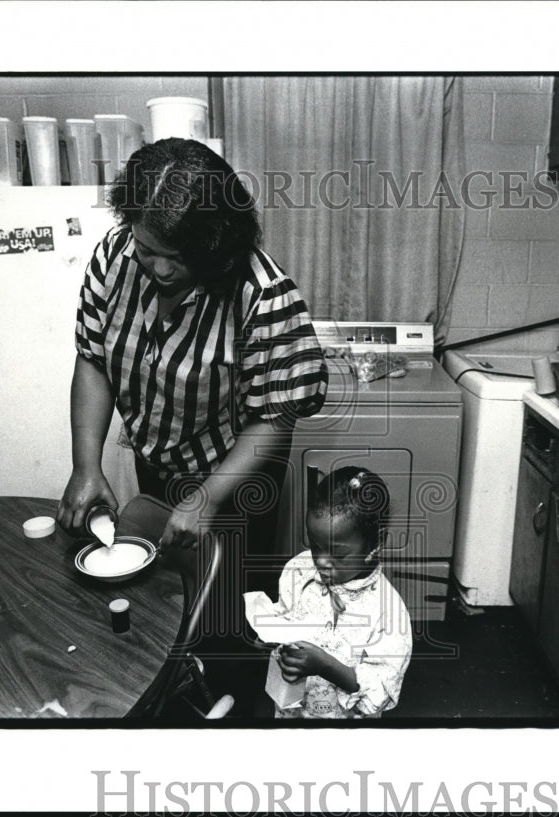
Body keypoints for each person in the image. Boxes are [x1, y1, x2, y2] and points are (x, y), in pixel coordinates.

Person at [55, 137, 328, 555]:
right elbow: (93, 358)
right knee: (163, 590)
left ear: (215, 246)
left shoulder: (264, 294)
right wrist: (85, 465)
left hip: (234, 478)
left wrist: (207, 498)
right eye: (148, 250)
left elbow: (275, 417)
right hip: (157, 463)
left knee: (227, 598)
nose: (160, 269)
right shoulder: (114, 256)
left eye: (179, 257)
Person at [268, 466, 413, 719]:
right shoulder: (299, 571)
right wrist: (274, 641)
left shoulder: (388, 613)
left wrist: (325, 666)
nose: (322, 561)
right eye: (315, 546)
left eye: (338, 554)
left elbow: (377, 693)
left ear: (377, 542)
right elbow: (283, 618)